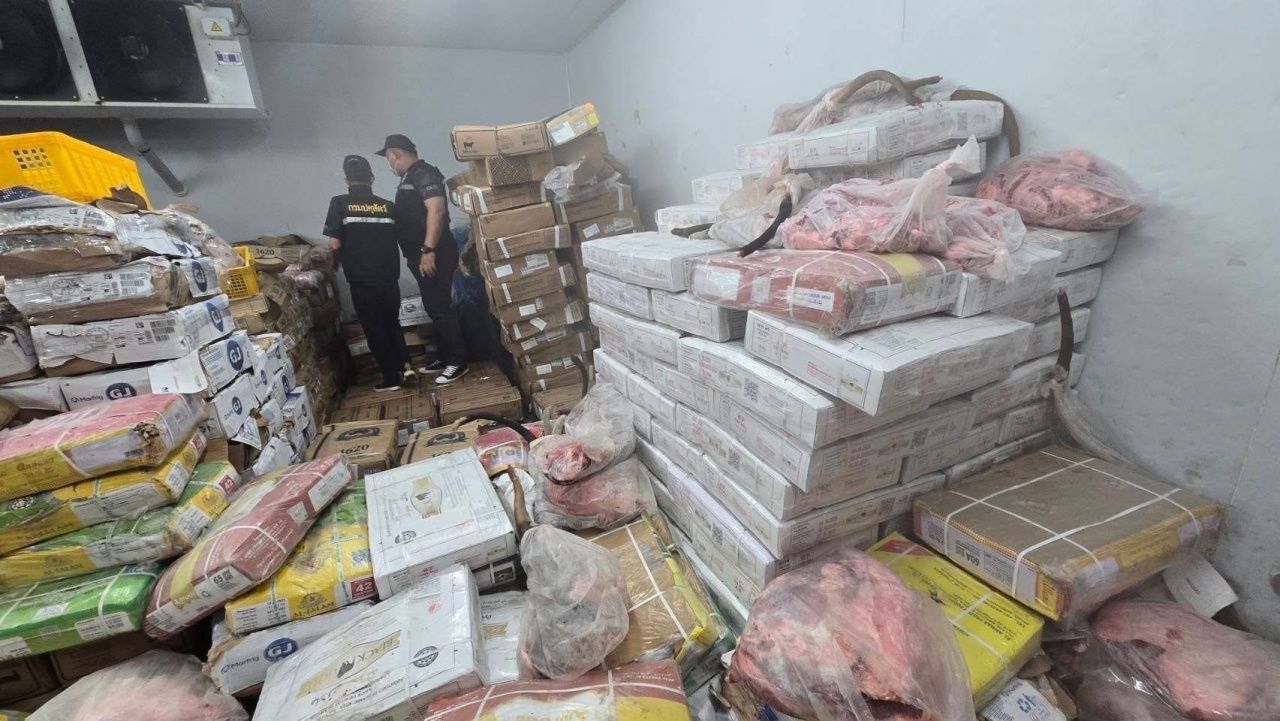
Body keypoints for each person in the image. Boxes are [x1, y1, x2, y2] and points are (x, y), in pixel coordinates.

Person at [376, 133, 470, 385]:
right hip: (419, 254)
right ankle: (447, 356)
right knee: (433, 306)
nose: (389, 163)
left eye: (388, 158)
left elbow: (436, 211)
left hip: (433, 253)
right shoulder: (410, 177)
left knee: (440, 306)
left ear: (395, 154)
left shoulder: (425, 173)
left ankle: (458, 362)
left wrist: (428, 250)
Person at [323, 155, 414, 391]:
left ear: (346, 180)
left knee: (374, 327)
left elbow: (334, 244)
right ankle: (406, 366)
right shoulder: (387, 206)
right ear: (371, 178)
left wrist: (334, 266)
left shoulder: (339, 203)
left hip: (362, 279)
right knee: (392, 322)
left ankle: (391, 378)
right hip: (389, 276)